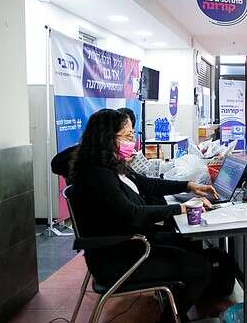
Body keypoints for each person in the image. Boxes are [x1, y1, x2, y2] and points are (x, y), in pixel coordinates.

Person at [69, 109, 216, 322]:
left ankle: (175, 304)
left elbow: (147, 184)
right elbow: (134, 214)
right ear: (107, 138)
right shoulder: (98, 175)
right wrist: (182, 208)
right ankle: (170, 318)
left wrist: (188, 185)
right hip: (120, 257)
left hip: (130, 244)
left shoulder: (110, 165)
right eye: (127, 136)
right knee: (200, 268)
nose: (133, 141)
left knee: (189, 242)